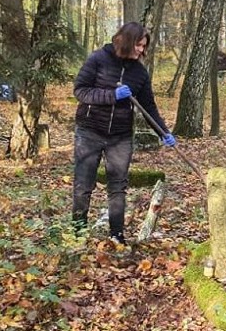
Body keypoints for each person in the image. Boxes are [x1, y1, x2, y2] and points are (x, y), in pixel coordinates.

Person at [72, 22, 176, 245]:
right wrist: (112, 95)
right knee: (83, 184)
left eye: (144, 46)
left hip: (120, 136)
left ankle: (116, 235)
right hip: (89, 130)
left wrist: (163, 132)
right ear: (127, 41)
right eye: (138, 45)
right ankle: (77, 233)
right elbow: (80, 90)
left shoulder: (139, 72)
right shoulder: (98, 59)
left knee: (118, 186)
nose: (141, 50)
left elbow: (148, 106)